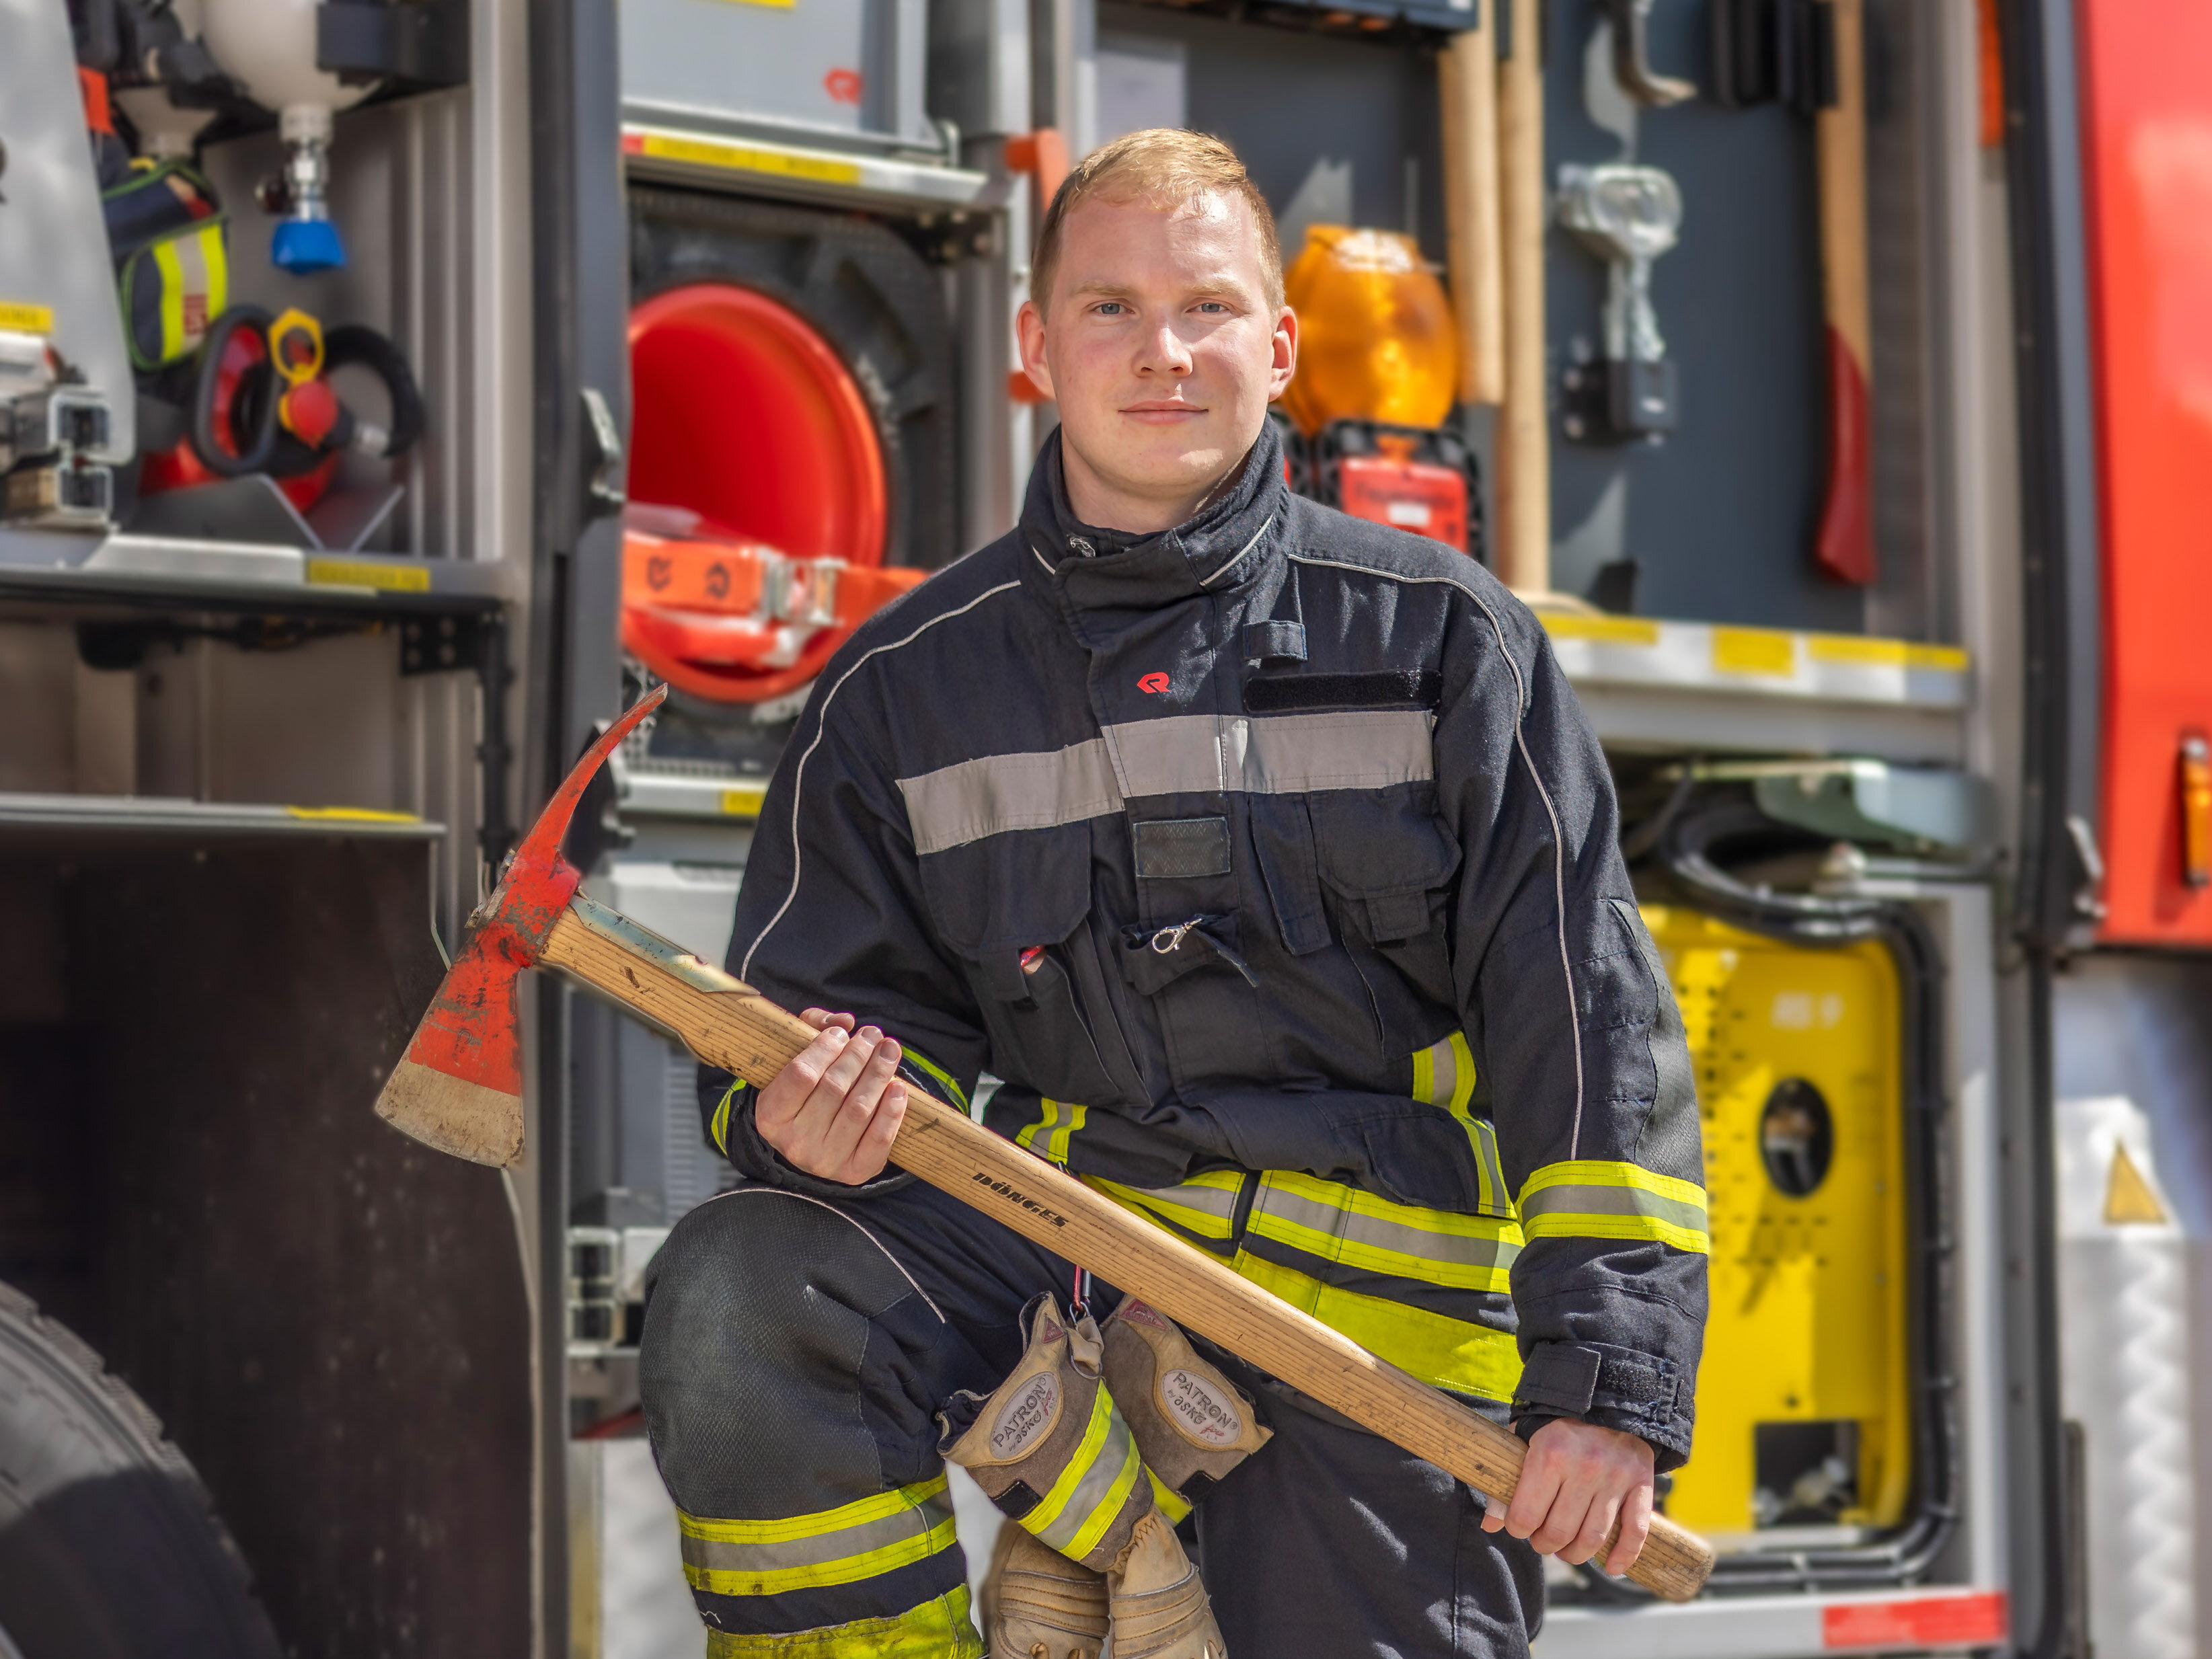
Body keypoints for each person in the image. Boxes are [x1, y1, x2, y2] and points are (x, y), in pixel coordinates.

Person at [639, 127, 1707, 1659]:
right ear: (1033, 346)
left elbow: (1593, 1039)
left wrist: (1607, 1392)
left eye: (1206, 308)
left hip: (1371, 1357)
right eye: (1109, 309)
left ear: (1278, 349)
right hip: (1068, 1292)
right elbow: (845, 1017)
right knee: (747, 1289)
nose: (1163, 353)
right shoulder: (898, 692)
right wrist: (802, 1112)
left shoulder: (1444, 646)